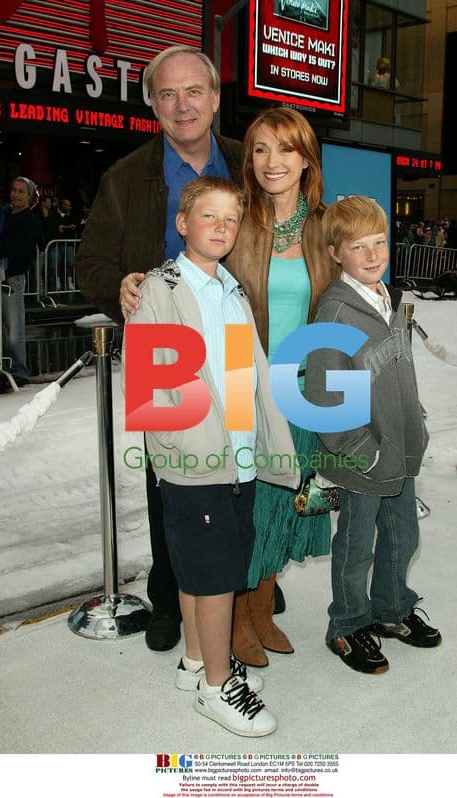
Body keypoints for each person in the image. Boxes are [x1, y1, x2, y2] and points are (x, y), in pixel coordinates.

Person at [75, 45, 242, 652]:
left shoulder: (248, 165)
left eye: (194, 91)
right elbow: (89, 262)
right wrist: (114, 283)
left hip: (234, 340)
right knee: (170, 481)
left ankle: (238, 589)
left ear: (216, 98)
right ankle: (170, 595)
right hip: (160, 352)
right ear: (151, 104)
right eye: (167, 94)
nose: (182, 105)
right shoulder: (124, 177)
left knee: (240, 470)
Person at [123, 175, 299, 736]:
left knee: (204, 567)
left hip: (237, 457)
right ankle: (218, 687)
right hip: (195, 461)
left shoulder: (231, 288)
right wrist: (181, 454)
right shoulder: (161, 288)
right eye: (208, 216)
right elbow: (151, 385)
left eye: (230, 218)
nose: (221, 227)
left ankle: (196, 660)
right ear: (182, 224)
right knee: (216, 571)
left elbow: (249, 373)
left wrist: (266, 442)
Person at [305, 195, 442, 675]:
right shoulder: (336, 316)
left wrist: (413, 429)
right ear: (335, 253)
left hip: (399, 450)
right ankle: (346, 625)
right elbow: (326, 403)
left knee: (403, 536)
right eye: (358, 246)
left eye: (379, 242)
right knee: (356, 546)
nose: (372, 254)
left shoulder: (391, 302)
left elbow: (400, 376)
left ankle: (392, 609)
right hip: (361, 457)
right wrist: (365, 452)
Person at [225, 107, 337, 666]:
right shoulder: (237, 220)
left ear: (306, 159)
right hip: (247, 386)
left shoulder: (325, 227)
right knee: (249, 505)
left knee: (290, 505)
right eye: (261, 149)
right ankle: (239, 616)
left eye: (285, 149)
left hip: (304, 391)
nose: (273, 162)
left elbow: (342, 311)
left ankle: (264, 607)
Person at [0, 176, 40, 392]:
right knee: (0, 326)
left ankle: (19, 370)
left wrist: (2, 248)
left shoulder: (29, 220)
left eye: (21, 191)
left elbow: (20, 249)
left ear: (29, 196)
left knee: (14, 327)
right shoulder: (3, 215)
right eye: (14, 190)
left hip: (13, 277)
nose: (16, 194)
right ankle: (3, 366)